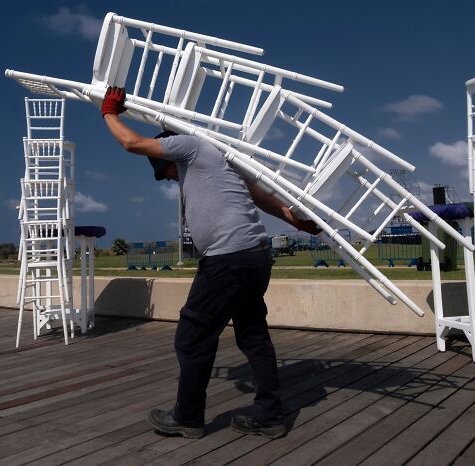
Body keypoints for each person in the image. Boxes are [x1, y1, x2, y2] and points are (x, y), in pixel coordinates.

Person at [101, 87, 321, 439]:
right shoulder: (220, 156)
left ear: (169, 156)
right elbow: (258, 194)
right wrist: (292, 219)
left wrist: (109, 113)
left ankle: (187, 417)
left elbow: (133, 144)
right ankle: (269, 415)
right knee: (252, 334)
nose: (170, 180)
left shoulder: (189, 145)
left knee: (193, 335)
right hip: (254, 255)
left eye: (166, 173)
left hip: (228, 259)